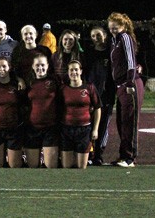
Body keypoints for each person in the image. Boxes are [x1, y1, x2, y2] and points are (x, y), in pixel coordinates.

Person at [108, 12, 144, 168]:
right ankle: (124, 155)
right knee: (121, 122)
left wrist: (130, 82)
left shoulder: (125, 37)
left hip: (130, 85)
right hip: (120, 86)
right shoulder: (114, 40)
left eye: (116, 28)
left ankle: (130, 158)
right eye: (111, 28)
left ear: (123, 26)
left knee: (130, 121)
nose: (113, 30)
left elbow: (130, 61)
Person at [60, 60, 101, 169]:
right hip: (66, 130)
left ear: (81, 71)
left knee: (81, 167)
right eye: (71, 70)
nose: (74, 72)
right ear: (68, 72)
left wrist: (95, 129)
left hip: (84, 130)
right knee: (67, 166)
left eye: (76, 69)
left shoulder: (89, 87)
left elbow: (97, 108)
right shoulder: (63, 89)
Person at [84, 26, 116, 166]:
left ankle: (98, 155)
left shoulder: (111, 52)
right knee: (89, 124)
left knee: (103, 125)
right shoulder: (88, 53)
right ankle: (89, 153)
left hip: (107, 94)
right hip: (91, 94)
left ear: (104, 35)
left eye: (98, 35)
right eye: (93, 36)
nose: (96, 38)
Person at [24, 54, 61, 168]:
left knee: (50, 166)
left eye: (43, 65)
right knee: (33, 166)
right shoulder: (28, 83)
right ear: (33, 67)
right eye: (37, 65)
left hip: (50, 128)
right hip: (32, 129)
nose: (40, 68)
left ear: (48, 66)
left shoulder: (55, 81)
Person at [0, 57, 26, 168]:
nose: (1, 69)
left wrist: (19, 79)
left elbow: (24, 104)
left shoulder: (17, 85)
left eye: (4, 66)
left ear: (9, 68)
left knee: (14, 166)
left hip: (14, 130)